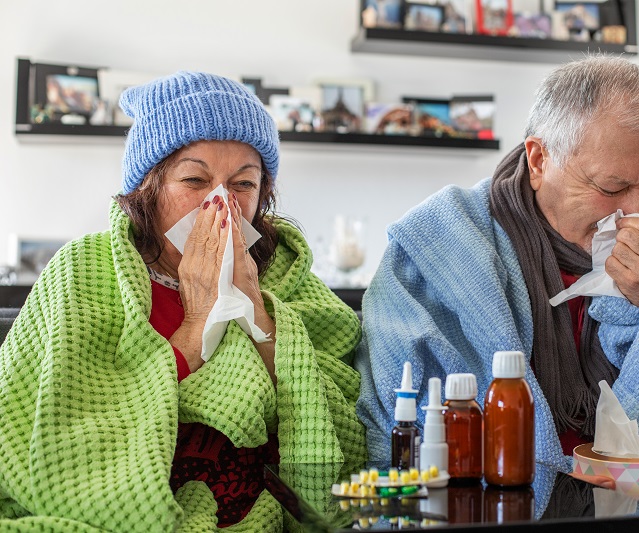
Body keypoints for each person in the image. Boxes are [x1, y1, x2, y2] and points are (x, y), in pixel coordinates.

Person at [355, 55, 639, 531]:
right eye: (613, 187)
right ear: (539, 160)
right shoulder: (442, 250)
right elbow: (394, 442)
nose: (637, 214)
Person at [0, 71, 366, 531]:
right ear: (147, 190)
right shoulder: (86, 269)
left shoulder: (289, 280)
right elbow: (59, 439)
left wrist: (257, 313)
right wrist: (196, 324)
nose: (220, 203)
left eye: (244, 184)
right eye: (195, 179)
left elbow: (343, 431)